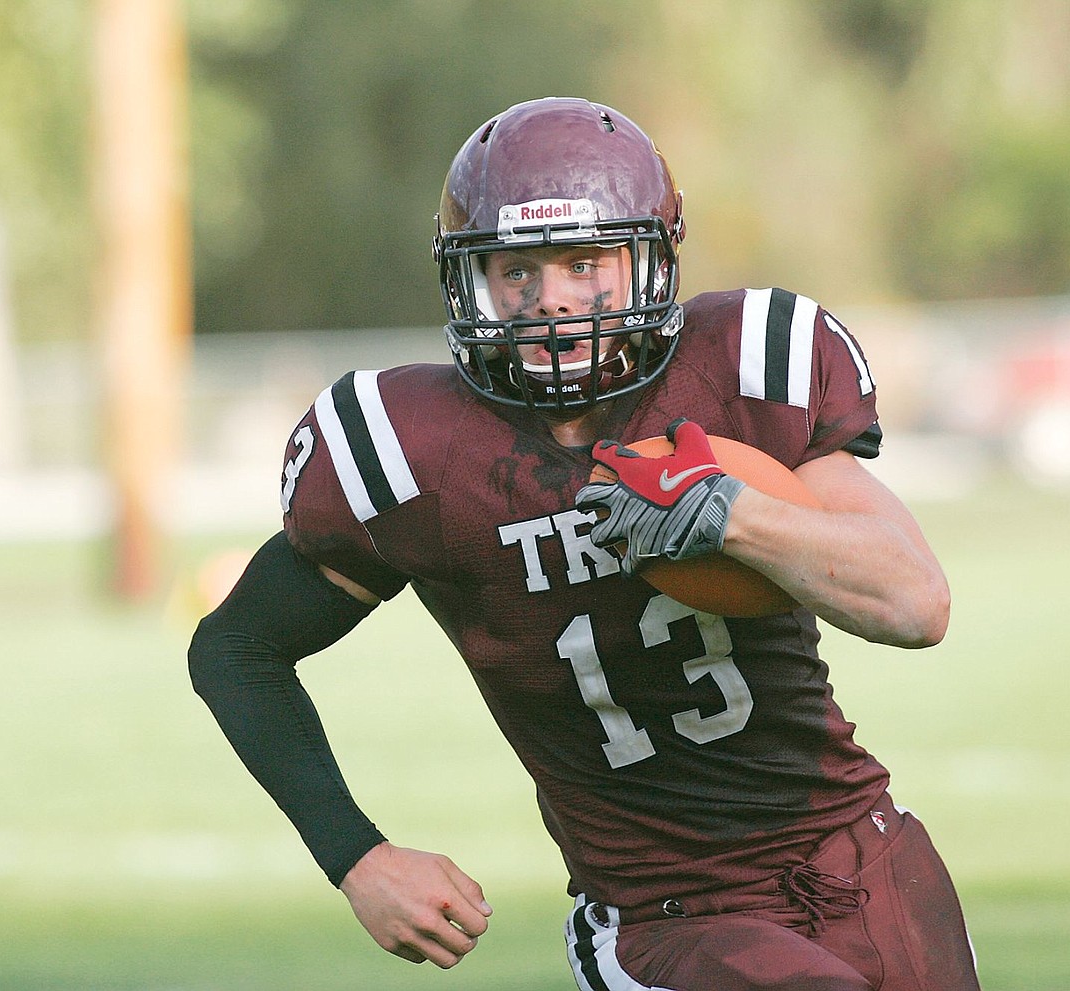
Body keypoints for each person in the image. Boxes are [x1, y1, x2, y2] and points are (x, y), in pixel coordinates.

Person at [188, 96, 980, 990]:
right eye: (516, 270)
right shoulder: (414, 452)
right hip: (668, 916)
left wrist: (729, 513)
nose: (552, 300)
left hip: (863, 858)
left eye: (582, 262)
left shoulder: (738, 371)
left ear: (647, 262)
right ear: (469, 280)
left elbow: (916, 605)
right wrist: (356, 855)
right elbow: (237, 647)